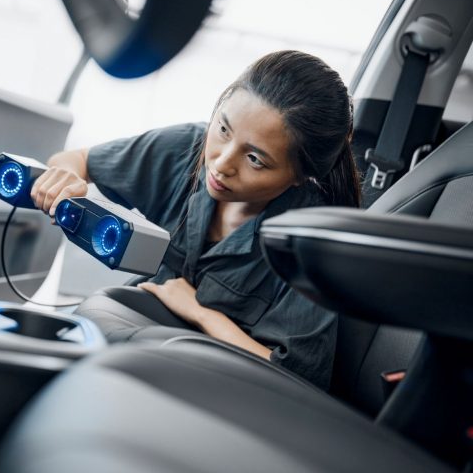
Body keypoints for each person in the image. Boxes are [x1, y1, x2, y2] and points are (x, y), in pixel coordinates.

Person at [29, 50, 360, 389]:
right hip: (140, 342)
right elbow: (76, 159)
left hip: (222, 389)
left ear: (300, 176)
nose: (221, 163)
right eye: (223, 129)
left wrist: (200, 312)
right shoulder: (186, 148)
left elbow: (295, 382)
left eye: (255, 159)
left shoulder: (309, 243)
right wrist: (65, 178)